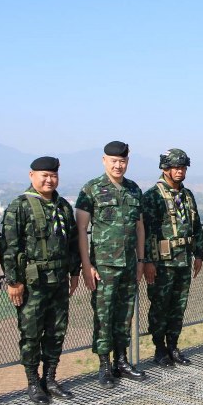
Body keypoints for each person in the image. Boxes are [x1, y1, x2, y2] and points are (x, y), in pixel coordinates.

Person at [0, 156, 80, 405]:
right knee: (31, 334)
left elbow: (72, 242)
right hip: (33, 284)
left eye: (53, 175)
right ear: (31, 175)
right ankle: (33, 382)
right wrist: (13, 281)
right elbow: (9, 247)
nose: (49, 180)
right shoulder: (20, 206)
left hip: (58, 281)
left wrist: (74, 272)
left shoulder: (62, 206)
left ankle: (50, 378)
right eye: (44, 175)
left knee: (57, 331)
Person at [75, 141, 147, 389]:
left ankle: (122, 361)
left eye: (122, 161)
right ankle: (105, 365)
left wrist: (140, 260)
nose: (118, 165)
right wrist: (86, 265)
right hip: (104, 266)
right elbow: (81, 229)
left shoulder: (133, 189)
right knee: (104, 316)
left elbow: (140, 227)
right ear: (104, 161)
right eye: (114, 161)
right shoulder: (92, 189)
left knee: (125, 314)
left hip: (129, 265)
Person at [142, 148, 203, 366]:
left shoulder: (187, 196)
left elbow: (195, 227)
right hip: (162, 263)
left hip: (183, 260)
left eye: (183, 167)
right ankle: (159, 349)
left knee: (178, 306)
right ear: (165, 168)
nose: (179, 171)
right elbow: (147, 231)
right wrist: (148, 261)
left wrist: (199, 254)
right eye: (175, 167)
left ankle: (173, 346)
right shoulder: (153, 196)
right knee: (160, 306)